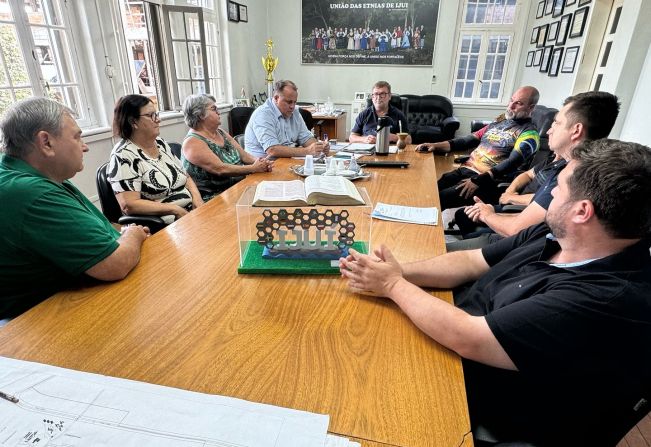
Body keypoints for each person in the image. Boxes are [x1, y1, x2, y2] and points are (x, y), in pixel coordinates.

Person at [340, 138, 651, 445]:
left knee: (350, 391)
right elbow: (471, 261)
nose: (551, 191)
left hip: (475, 402)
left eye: (561, 187)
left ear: (582, 211)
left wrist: (393, 285)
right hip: (450, 344)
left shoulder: (606, 299)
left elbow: (469, 336)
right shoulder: (556, 232)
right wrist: (394, 272)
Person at [0, 97, 149, 319]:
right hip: (38, 320)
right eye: (77, 137)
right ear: (46, 142)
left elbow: (97, 226)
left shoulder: (40, 176)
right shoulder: (33, 193)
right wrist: (133, 234)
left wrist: (123, 235)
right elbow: (115, 265)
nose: (85, 146)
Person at [449, 91, 620, 250]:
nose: (549, 130)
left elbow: (519, 228)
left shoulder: (571, 175)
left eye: (557, 122)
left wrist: (488, 213)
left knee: (442, 252)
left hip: (519, 246)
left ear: (576, 130)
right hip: (523, 235)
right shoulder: (566, 163)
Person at [417, 86, 540, 210]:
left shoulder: (529, 134)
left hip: (485, 181)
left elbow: (512, 163)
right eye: (511, 100)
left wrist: (479, 180)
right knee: (429, 192)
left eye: (518, 103)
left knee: (439, 200)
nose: (511, 106)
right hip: (466, 169)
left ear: (531, 107)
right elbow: (469, 140)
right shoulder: (501, 120)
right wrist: (435, 145)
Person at [108, 94, 204, 225]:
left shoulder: (160, 143)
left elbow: (185, 176)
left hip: (188, 214)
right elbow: (129, 205)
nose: (158, 120)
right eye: (151, 115)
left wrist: (197, 200)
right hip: (162, 224)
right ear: (133, 122)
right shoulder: (123, 155)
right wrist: (175, 210)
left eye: (156, 114)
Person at [181, 94, 273, 201]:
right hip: (215, 197)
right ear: (200, 114)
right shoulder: (192, 142)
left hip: (236, 188)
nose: (218, 112)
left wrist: (261, 162)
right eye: (214, 109)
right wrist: (253, 168)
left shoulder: (220, 132)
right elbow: (220, 169)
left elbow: (244, 156)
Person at [244, 80, 329, 159]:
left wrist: (319, 147)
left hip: (285, 161)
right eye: (289, 102)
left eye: (294, 102)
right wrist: (307, 151)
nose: (292, 106)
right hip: (262, 167)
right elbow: (272, 150)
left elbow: (306, 138)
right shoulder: (263, 114)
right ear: (276, 98)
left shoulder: (295, 112)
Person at [349, 81, 411, 145]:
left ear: (389, 96)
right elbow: (351, 138)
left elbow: (409, 140)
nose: (378, 97)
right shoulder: (364, 114)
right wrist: (364, 139)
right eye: (375, 94)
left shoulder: (399, 115)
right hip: (367, 151)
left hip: (389, 151)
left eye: (382, 94)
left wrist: (393, 137)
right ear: (372, 97)